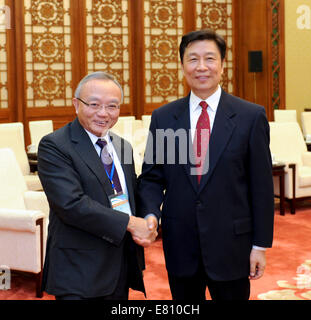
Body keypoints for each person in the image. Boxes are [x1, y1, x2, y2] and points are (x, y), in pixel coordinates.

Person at [137, 29, 274, 300]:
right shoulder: (164, 118)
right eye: (193, 59)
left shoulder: (250, 117)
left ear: (222, 65)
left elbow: (261, 188)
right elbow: (153, 177)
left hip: (232, 246)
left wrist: (260, 245)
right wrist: (151, 213)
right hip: (180, 244)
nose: (201, 67)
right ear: (182, 66)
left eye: (209, 59)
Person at [37, 71, 157, 300]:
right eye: (94, 104)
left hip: (119, 265)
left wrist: (150, 217)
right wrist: (132, 224)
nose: (103, 113)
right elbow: (71, 204)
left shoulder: (122, 146)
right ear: (76, 104)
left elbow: (130, 194)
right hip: (79, 270)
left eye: (112, 106)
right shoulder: (55, 145)